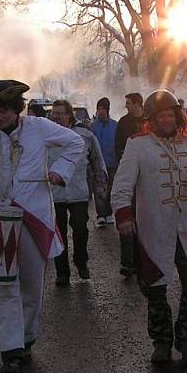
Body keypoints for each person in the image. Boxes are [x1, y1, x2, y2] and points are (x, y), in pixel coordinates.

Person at [0, 79, 84, 373]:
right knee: (4, 284)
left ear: (17, 110)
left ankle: (26, 339)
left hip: (34, 216)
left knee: (32, 285)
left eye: (5, 112)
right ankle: (10, 353)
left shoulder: (38, 127)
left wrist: (60, 171)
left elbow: (75, 142)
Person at [112, 89, 187, 366]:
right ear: (152, 118)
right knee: (155, 287)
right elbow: (121, 187)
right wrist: (124, 217)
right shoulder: (137, 145)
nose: (168, 120)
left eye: (171, 114)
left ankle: (186, 340)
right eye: (162, 115)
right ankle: (161, 342)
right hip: (154, 228)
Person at [50, 99, 107, 286]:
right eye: (54, 113)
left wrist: (100, 185)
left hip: (79, 193)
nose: (56, 116)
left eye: (60, 113)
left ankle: (81, 261)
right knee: (58, 234)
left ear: (69, 114)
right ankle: (62, 273)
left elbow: (97, 160)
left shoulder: (85, 134)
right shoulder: (45, 135)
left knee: (81, 230)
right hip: (54, 194)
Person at [114, 92, 145, 277]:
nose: (126, 106)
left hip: (147, 178)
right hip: (129, 176)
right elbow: (118, 147)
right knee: (127, 216)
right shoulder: (123, 123)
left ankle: (142, 259)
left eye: (128, 103)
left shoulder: (150, 120)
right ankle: (127, 262)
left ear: (137, 104)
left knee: (144, 219)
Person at [90, 97, 117, 227]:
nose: (100, 111)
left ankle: (109, 213)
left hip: (112, 162)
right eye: (98, 109)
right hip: (98, 164)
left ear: (107, 110)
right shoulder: (93, 126)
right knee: (99, 190)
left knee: (111, 188)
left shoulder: (115, 125)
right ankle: (101, 214)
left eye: (103, 109)